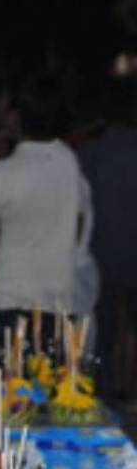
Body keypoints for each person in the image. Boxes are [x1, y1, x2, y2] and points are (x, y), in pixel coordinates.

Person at [0, 74, 84, 335]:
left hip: (12, 301)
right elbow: (77, 225)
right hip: (58, 303)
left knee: (9, 375)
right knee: (50, 374)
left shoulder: (2, 172)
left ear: (16, 116)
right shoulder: (68, 160)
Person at [79, 79, 137, 400]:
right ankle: (130, 390)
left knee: (106, 327)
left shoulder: (91, 152)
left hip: (102, 253)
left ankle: (107, 392)